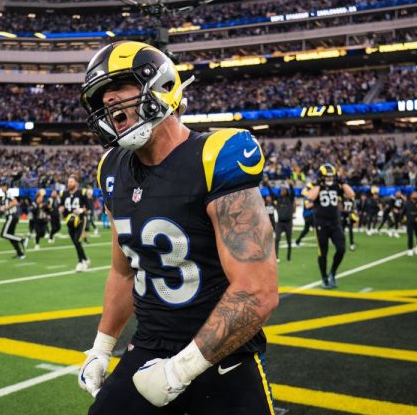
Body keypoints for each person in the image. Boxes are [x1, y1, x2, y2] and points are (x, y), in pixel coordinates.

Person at [77, 41, 279, 414]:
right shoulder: (111, 169)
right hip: (149, 350)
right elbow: (123, 272)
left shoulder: (215, 155)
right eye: (101, 96)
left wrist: (180, 370)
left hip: (224, 357)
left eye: (120, 86)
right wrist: (102, 348)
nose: (109, 101)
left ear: (162, 85)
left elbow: (258, 289)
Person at [304, 163, 356, 289]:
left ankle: (332, 272)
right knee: (323, 253)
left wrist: (342, 182)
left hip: (335, 223)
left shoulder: (337, 185)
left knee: (341, 248)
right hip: (321, 224)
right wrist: (320, 185)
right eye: (327, 177)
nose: (329, 179)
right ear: (321, 177)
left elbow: (351, 194)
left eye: (331, 177)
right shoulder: (315, 185)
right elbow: (309, 196)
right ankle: (324, 278)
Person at [60, 174, 90, 271]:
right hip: (69, 221)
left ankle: (81, 262)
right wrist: (61, 209)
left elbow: (88, 206)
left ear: (76, 183)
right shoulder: (64, 193)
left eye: (71, 182)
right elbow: (62, 206)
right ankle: (85, 259)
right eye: (68, 182)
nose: (69, 184)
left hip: (80, 220)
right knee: (75, 243)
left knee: (77, 241)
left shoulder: (82, 192)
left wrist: (81, 210)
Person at [0, 181, 27, 259]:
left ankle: (22, 240)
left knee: (3, 234)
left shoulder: (8, 193)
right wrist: (0, 208)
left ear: (6, 187)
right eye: (1, 186)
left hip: (11, 216)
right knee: (10, 236)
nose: (2, 187)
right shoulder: (5, 195)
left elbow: (15, 202)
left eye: (3, 186)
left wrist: (5, 208)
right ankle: (20, 253)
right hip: (11, 216)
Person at [268, 180, 295, 262]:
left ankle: (288, 258)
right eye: (282, 190)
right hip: (279, 223)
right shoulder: (278, 199)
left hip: (288, 223)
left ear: (287, 191)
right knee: (277, 239)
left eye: (284, 190)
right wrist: (268, 185)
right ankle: (276, 257)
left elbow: (293, 193)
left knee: (289, 241)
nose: (282, 191)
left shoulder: (290, 199)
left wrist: (291, 185)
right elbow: (272, 194)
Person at [403, 191, 417, 256]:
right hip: (410, 222)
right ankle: (410, 249)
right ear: (411, 196)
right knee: (410, 236)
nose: (415, 195)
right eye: (414, 194)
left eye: (416, 194)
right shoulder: (407, 203)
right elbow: (403, 212)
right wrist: (401, 221)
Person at [295, 182, 315, 246]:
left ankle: (298, 241)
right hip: (308, 215)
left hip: (309, 215)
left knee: (306, 229)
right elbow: (307, 206)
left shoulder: (308, 195)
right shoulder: (307, 196)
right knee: (318, 227)